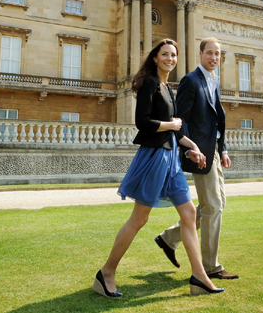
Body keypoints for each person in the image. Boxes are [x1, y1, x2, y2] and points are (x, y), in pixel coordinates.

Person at [93, 39, 224, 298]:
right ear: (155, 58)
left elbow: (175, 129)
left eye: (173, 55)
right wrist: (172, 126)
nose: (170, 59)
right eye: (165, 54)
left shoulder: (167, 87)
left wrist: (191, 147)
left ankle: (199, 276)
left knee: (188, 213)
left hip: (172, 157)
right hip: (154, 157)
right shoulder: (150, 84)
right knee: (139, 219)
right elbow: (143, 122)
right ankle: (106, 273)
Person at [155, 37, 239, 280]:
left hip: (213, 150)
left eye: (218, 54)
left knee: (215, 204)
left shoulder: (214, 81)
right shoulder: (191, 80)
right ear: (201, 54)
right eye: (210, 53)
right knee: (213, 207)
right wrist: (190, 148)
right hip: (199, 153)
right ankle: (211, 267)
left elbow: (216, 120)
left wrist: (223, 149)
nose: (214, 58)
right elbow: (182, 120)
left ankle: (168, 238)